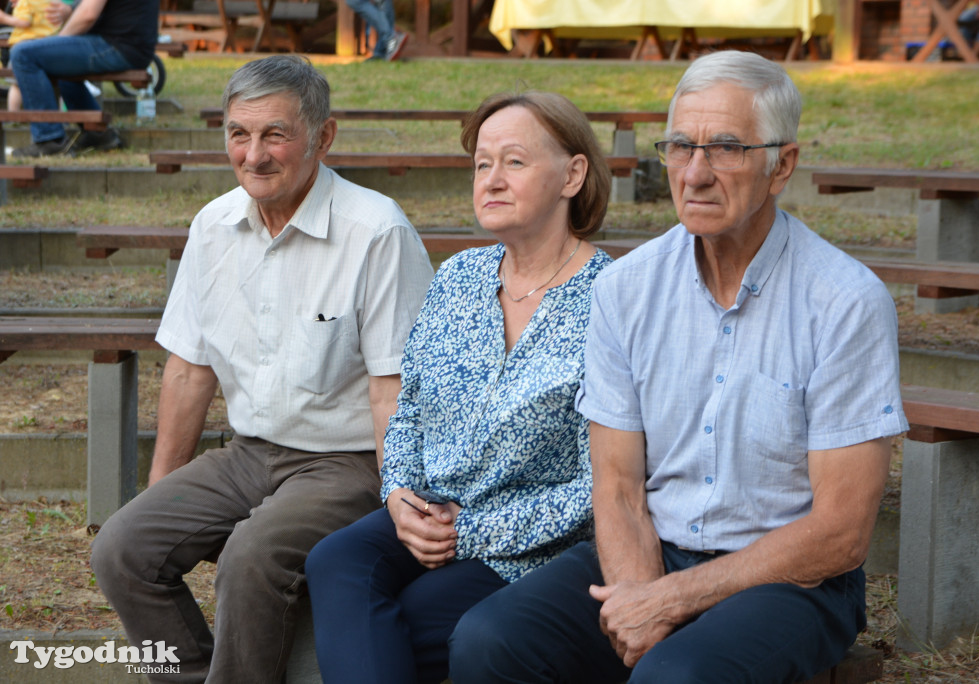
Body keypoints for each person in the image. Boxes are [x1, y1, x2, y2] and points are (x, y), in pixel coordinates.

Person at [449, 50, 909, 684]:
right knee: (487, 639)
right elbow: (615, 485)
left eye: (724, 148)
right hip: (652, 550)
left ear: (783, 166)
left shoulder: (845, 301)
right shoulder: (625, 289)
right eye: (679, 147)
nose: (695, 173)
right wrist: (642, 599)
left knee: (677, 677)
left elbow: (840, 532)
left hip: (790, 580)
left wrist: (671, 601)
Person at [90, 55, 434, 683]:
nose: (253, 155)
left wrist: (396, 502)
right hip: (248, 454)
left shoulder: (376, 230)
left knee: (250, 558)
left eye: (276, 134)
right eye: (238, 134)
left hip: (346, 463)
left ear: (322, 137)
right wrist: (163, 486)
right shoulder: (213, 225)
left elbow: (395, 390)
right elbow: (190, 369)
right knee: (122, 548)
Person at [305, 90, 614, 684]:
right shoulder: (458, 277)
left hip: (531, 542)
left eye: (515, 162)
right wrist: (398, 495)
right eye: (481, 164)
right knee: (335, 559)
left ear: (573, 175)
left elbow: (599, 485)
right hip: (430, 510)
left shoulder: (612, 299)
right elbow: (410, 410)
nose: (492, 179)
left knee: (409, 621)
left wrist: (468, 533)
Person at [10, 0, 159, 157]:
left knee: (22, 54)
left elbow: (88, 15)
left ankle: (50, 141)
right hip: (132, 47)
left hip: (116, 46)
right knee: (60, 63)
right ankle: (98, 134)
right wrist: (70, 9)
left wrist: (57, 43)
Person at [0, 0, 61, 110]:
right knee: (51, 84)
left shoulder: (26, 2)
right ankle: (54, 116)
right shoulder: (48, 2)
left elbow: (24, 22)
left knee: (16, 85)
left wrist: (4, 18)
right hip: (49, 45)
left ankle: (13, 116)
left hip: (24, 47)